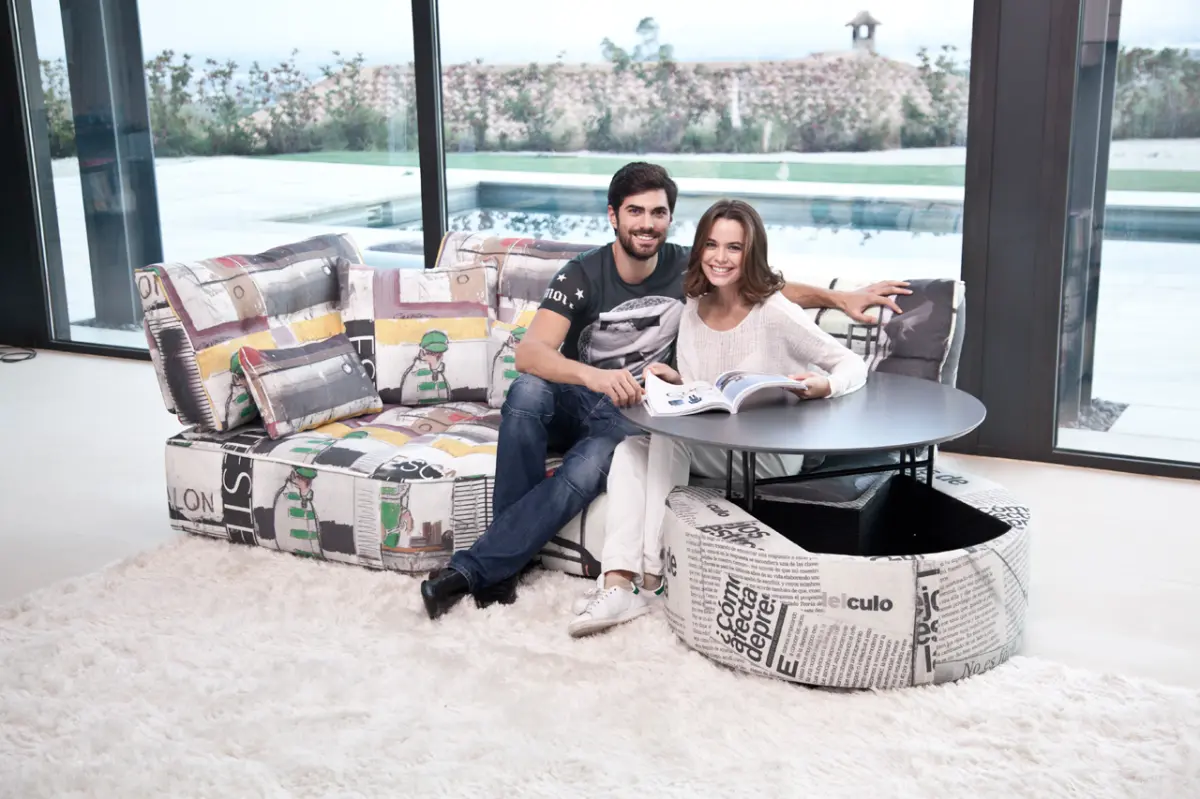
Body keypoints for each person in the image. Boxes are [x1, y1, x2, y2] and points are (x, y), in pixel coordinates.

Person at [419, 162, 908, 620]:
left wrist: (838, 297)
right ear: (613, 216)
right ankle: (505, 560)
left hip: (632, 411)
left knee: (591, 465)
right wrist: (594, 376)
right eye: (635, 211)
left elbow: (759, 285)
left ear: (670, 219)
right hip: (580, 397)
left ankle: (488, 568)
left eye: (658, 213)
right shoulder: (582, 274)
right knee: (527, 391)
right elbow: (529, 354)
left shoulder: (687, 269)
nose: (647, 223)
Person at [566, 199, 869, 637]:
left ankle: (651, 577)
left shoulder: (774, 311)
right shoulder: (694, 306)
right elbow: (699, 384)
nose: (720, 258)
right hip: (711, 443)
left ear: (751, 253)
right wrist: (676, 380)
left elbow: (851, 364)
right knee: (631, 448)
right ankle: (617, 583)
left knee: (667, 439)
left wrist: (825, 385)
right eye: (711, 245)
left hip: (767, 454)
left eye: (734, 247)